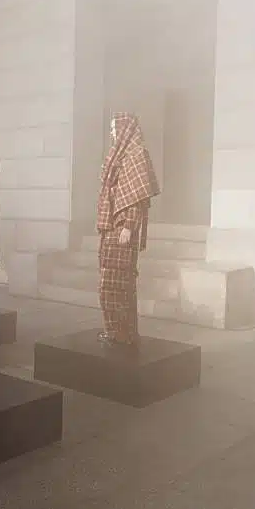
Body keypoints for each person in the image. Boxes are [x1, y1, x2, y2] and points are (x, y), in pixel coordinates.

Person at [96, 112, 160, 346]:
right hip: (111, 226)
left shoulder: (136, 155)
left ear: (125, 129)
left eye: (115, 128)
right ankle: (116, 331)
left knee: (119, 283)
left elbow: (138, 198)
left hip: (122, 228)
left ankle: (122, 333)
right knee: (110, 282)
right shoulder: (119, 155)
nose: (112, 132)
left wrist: (129, 227)